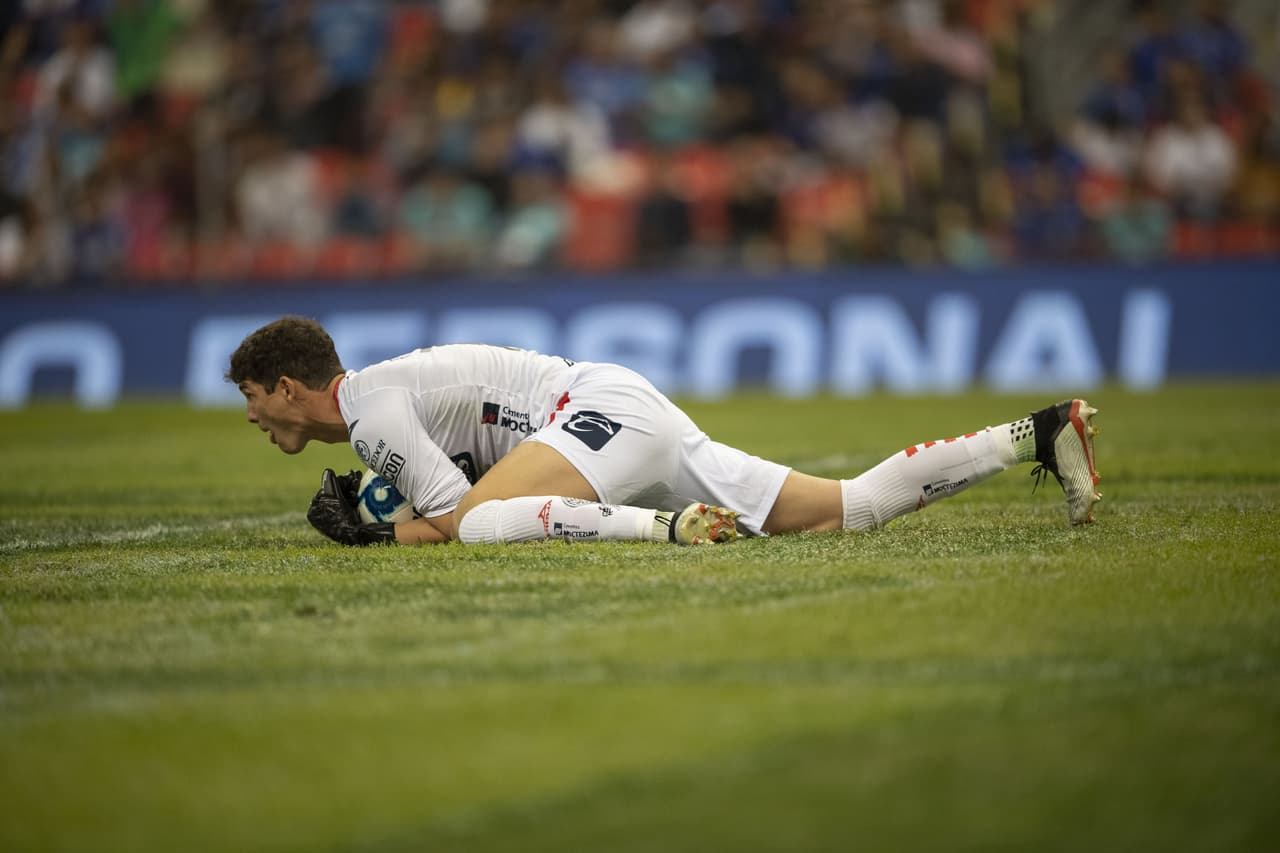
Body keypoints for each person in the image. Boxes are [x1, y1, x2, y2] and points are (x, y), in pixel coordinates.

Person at [226, 316, 1102, 547]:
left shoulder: (372, 413)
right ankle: (1036, 432)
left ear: (289, 386)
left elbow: (457, 520)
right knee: (848, 510)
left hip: (598, 414)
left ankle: (668, 530)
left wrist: (383, 535)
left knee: (487, 524)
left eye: (253, 398)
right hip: (613, 421)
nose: (253, 417)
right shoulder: (380, 405)